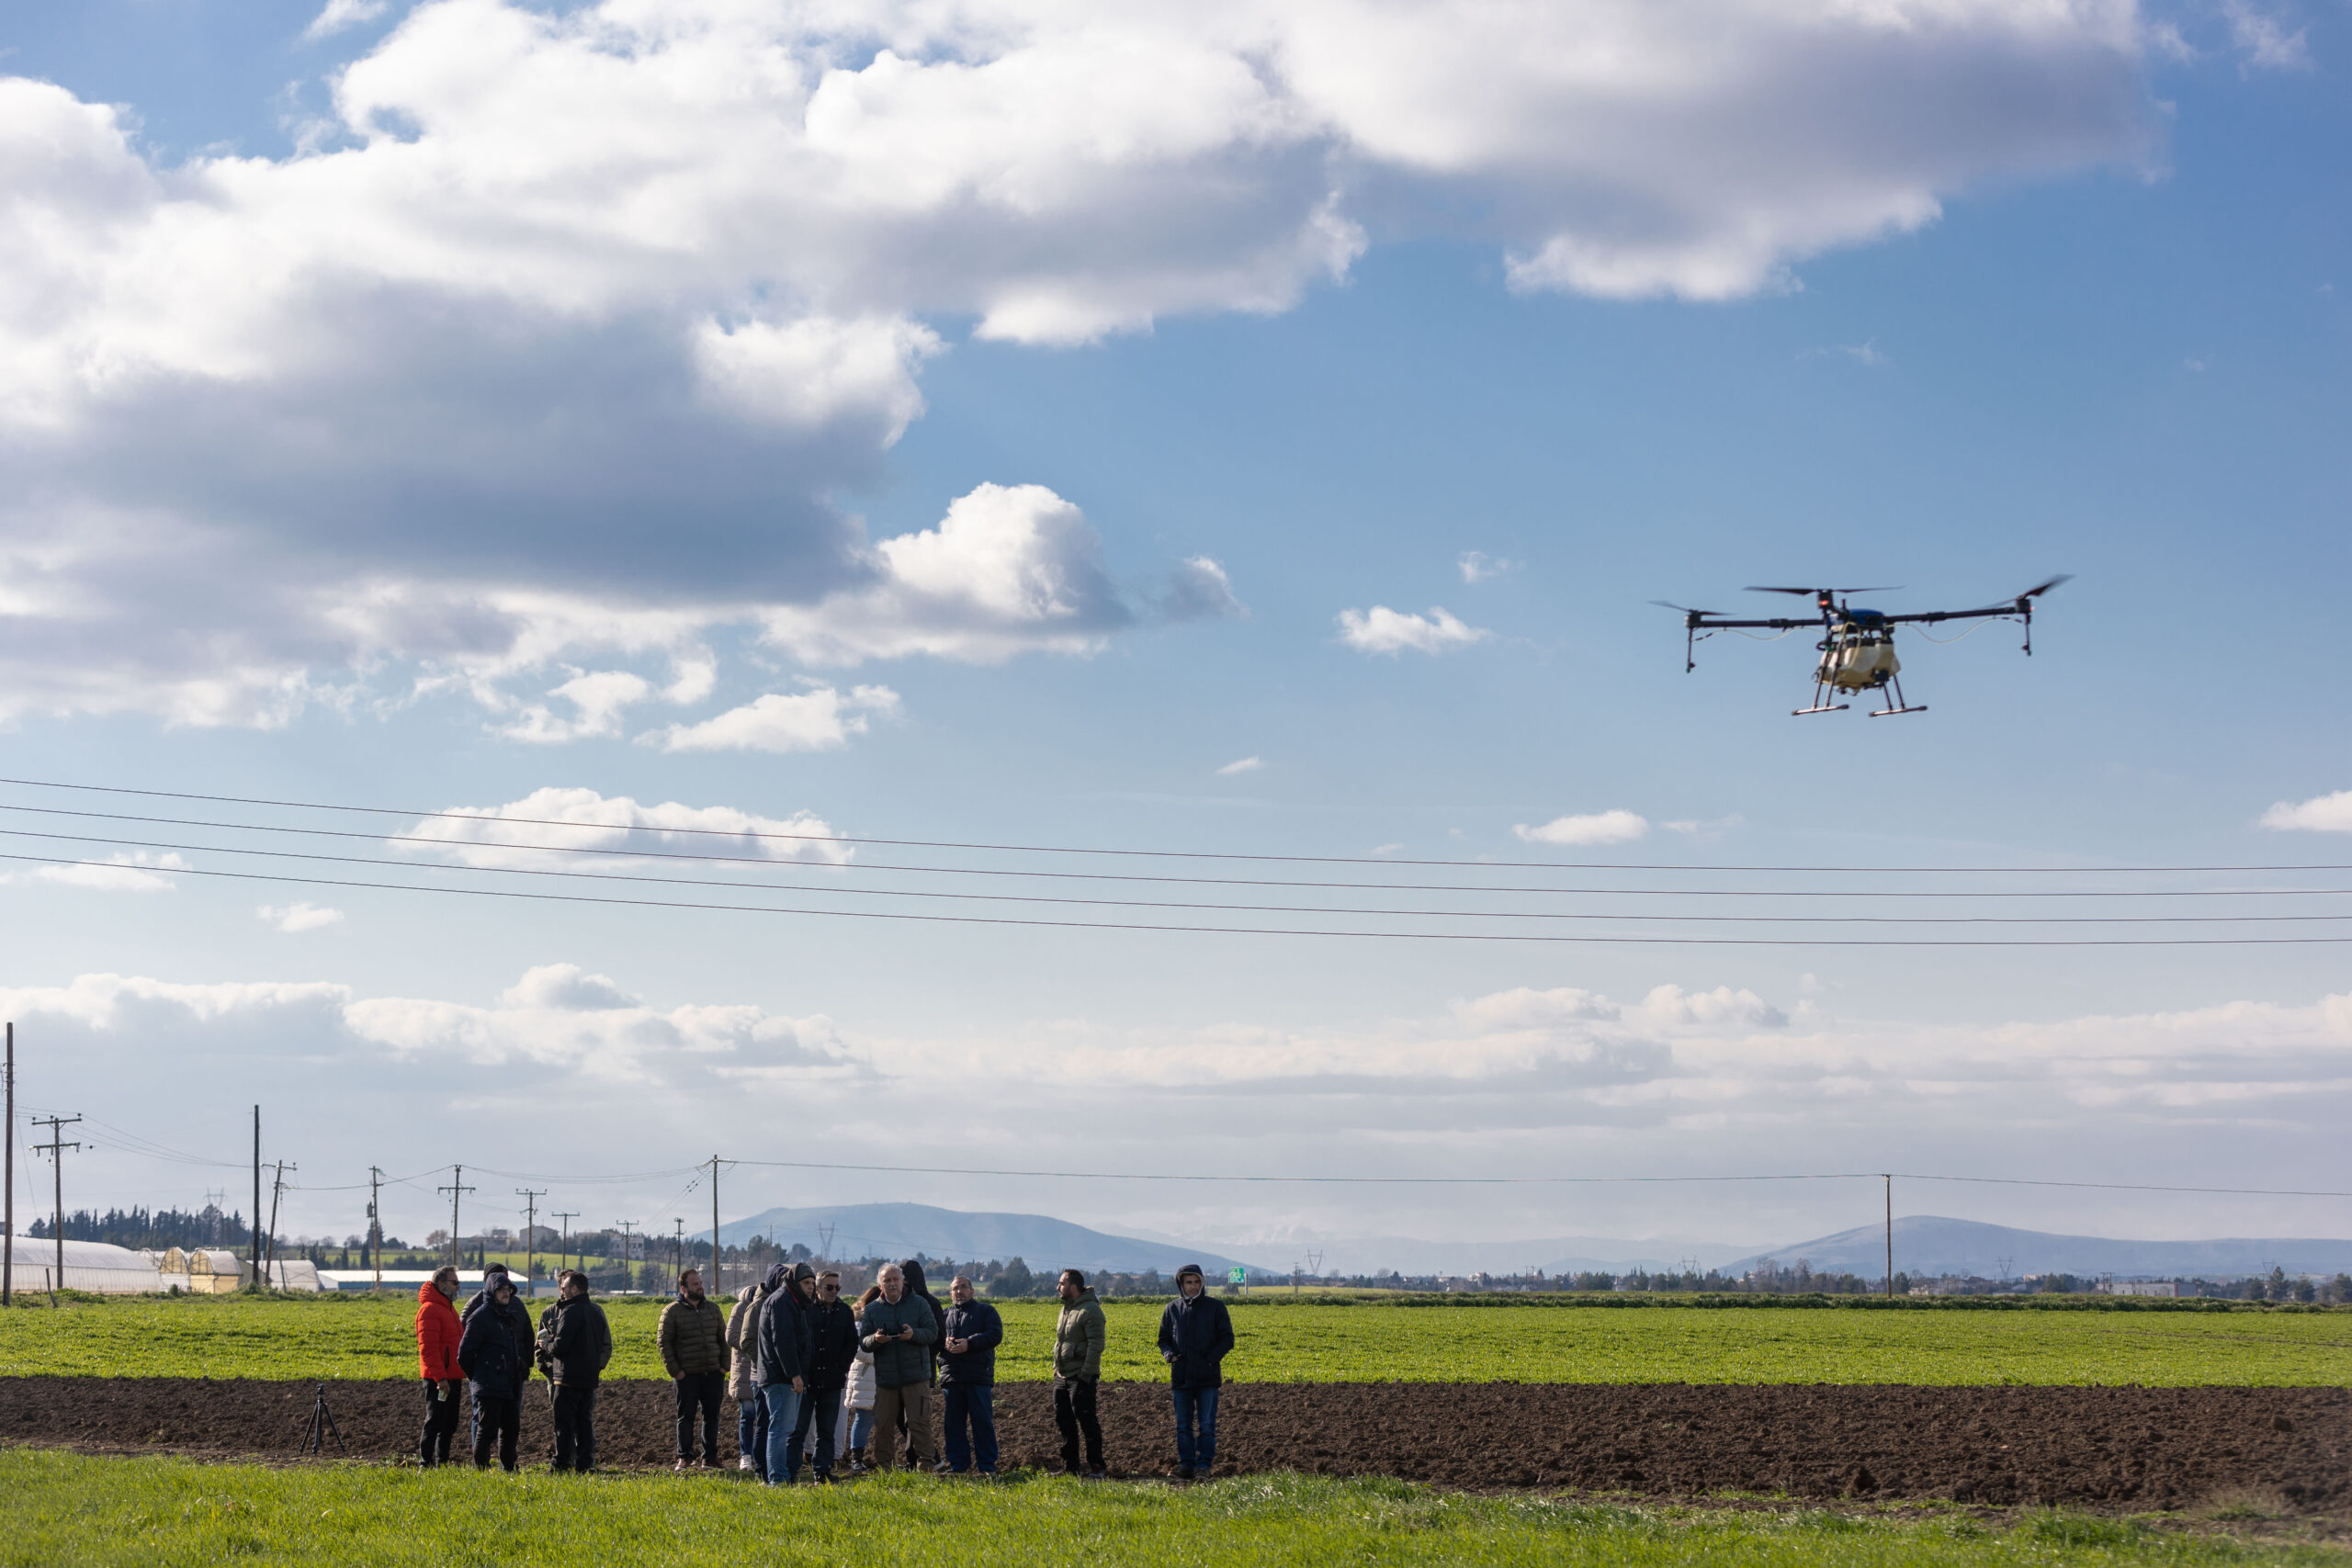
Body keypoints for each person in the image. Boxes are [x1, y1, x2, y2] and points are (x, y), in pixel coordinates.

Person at [1157, 1262, 1236, 1481]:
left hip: (1207, 1377)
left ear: (1202, 1283)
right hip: (1181, 1376)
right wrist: (1169, 1355)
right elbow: (1163, 1339)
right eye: (1188, 1282)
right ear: (1181, 1284)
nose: (1193, 1286)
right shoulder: (1172, 1309)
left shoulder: (1216, 1307)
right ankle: (1186, 1465)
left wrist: (1210, 1359)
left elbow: (1227, 1339)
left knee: (1206, 1425)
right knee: (1183, 1425)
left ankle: (1203, 1465)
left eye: (1196, 1282)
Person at [857, 1262, 938, 1472]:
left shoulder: (919, 1304)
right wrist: (875, 1339)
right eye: (887, 1281)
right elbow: (863, 1341)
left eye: (895, 1280)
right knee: (883, 1424)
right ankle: (886, 1468)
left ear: (903, 1282)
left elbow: (932, 1332)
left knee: (919, 1422)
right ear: (880, 1285)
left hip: (916, 1375)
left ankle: (926, 1465)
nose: (892, 1284)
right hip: (887, 1378)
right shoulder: (873, 1309)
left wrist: (914, 1335)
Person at [536, 1268, 612, 1473]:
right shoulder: (596, 1311)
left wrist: (546, 1347)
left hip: (567, 1377)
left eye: (565, 1286)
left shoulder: (570, 1311)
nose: (561, 1289)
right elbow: (603, 1344)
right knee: (584, 1423)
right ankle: (585, 1465)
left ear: (575, 1289)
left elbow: (561, 1345)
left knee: (564, 1424)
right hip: (588, 1378)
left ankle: (561, 1465)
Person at [790, 1267, 857, 1483]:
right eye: (829, 1287)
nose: (834, 1291)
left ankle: (822, 1471)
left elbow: (851, 1343)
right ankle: (791, 1470)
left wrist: (841, 1367)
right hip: (808, 1379)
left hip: (832, 1380)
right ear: (818, 1288)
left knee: (826, 1430)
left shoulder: (845, 1312)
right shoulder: (807, 1310)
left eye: (837, 1287)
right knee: (799, 1429)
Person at [458, 1270, 530, 1471]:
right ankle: (480, 1469)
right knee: (487, 1429)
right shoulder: (480, 1317)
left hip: (508, 1383)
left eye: (508, 1289)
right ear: (491, 1292)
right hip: (489, 1384)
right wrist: (478, 1377)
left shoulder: (508, 1316)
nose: (506, 1293)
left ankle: (509, 1468)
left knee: (511, 1428)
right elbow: (464, 1354)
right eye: (501, 1290)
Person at [660, 1266, 729, 1471]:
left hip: (713, 1374)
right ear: (683, 1288)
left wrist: (724, 1367)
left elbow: (723, 1339)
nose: (700, 1287)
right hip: (687, 1375)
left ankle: (709, 1457)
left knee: (712, 1417)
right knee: (686, 1417)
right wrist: (676, 1371)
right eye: (695, 1284)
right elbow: (664, 1343)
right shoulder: (672, 1311)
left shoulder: (713, 1309)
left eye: (700, 1283)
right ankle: (685, 1457)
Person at [939, 1273, 1004, 1475]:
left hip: (978, 1376)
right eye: (955, 1288)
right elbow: (934, 1338)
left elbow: (995, 1334)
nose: (959, 1291)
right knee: (953, 1424)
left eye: (963, 1287)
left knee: (982, 1423)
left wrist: (970, 1343)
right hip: (952, 1376)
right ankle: (958, 1466)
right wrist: (945, 1343)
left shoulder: (986, 1311)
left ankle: (987, 1467)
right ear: (950, 1292)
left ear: (972, 1291)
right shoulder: (944, 1314)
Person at [752, 1260, 810, 1486]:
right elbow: (783, 1341)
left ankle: (780, 1476)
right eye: (806, 1283)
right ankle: (777, 1479)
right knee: (779, 1430)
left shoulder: (792, 1301)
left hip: (785, 1376)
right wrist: (795, 1374)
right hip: (780, 1377)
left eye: (812, 1283)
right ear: (795, 1282)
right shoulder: (781, 1301)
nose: (811, 1287)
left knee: (784, 1429)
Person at [1052, 1268, 1107, 1479]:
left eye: (1062, 1284)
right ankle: (1070, 1467)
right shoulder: (1066, 1309)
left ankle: (1096, 1466)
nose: (1058, 1287)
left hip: (1081, 1377)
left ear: (1073, 1286)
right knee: (1064, 1421)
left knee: (1087, 1422)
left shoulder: (1091, 1310)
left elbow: (1096, 1345)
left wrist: (1085, 1374)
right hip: (1062, 1375)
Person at [413, 1265, 463, 1468]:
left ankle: (442, 1462)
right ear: (442, 1284)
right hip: (439, 1378)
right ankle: (426, 1463)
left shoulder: (447, 1308)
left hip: (453, 1375)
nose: (458, 1287)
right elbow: (428, 1349)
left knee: (450, 1423)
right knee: (435, 1421)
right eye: (455, 1282)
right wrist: (440, 1378)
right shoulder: (429, 1310)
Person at [725, 1276, 768, 1473]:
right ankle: (746, 1456)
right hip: (744, 1368)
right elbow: (732, 1336)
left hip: (764, 1368)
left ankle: (762, 1456)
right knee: (748, 1415)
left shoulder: (767, 1305)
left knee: (764, 1416)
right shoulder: (741, 1308)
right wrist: (757, 1346)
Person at [837, 1286, 881, 1472]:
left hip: (876, 1377)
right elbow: (859, 1352)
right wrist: (884, 1360)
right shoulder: (860, 1323)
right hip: (865, 1376)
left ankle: (879, 1457)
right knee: (863, 1418)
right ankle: (857, 1458)